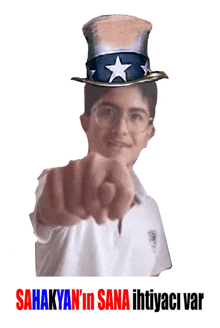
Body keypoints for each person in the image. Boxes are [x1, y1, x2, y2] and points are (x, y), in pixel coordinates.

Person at [30, 14, 172, 276]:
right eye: (107, 111)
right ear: (85, 122)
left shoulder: (151, 209)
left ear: (149, 132)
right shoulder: (57, 182)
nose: (120, 129)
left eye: (136, 116)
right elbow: (49, 206)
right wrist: (64, 199)